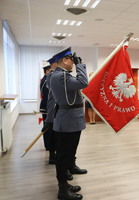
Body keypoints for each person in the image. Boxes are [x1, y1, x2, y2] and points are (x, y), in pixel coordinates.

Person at [50, 47, 88, 200]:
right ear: (64, 60)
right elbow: (83, 82)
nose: (73, 63)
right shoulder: (61, 76)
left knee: (68, 154)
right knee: (63, 156)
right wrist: (80, 66)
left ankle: (65, 185)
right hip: (67, 121)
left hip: (71, 120)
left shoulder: (62, 76)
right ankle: (62, 191)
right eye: (72, 60)